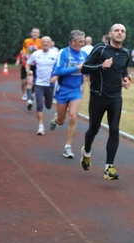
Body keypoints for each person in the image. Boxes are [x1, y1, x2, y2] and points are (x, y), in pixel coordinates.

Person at [80, 23, 131, 180]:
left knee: (114, 129)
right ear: (110, 33)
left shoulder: (126, 53)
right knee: (93, 129)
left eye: (122, 31)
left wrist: (126, 78)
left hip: (116, 96)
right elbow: (84, 68)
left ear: (125, 35)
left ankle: (109, 167)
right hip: (98, 95)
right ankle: (86, 151)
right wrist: (101, 66)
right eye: (117, 30)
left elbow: (123, 69)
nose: (120, 33)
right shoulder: (100, 49)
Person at [49, 30, 87, 158]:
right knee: (61, 121)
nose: (83, 43)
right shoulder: (63, 52)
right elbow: (58, 70)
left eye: (83, 40)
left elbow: (89, 70)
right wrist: (77, 68)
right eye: (81, 41)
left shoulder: (85, 54)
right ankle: (55, 119)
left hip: (76, 90)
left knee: (73, 116)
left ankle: (68, 147)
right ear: (73, 41)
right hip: (63, 89)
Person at [25, 36, 58, 135]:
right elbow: (28, 63)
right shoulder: (36, 54)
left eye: (47, 42)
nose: (45, 43)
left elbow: (60, 67)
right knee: (39, 106)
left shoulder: (55, 54)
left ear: (50, 43)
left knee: (48, 106)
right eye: (43, 42)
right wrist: (28, 71)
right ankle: (40, 126)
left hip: (50, 84)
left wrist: (56, 77)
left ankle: (52, 112)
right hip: (39, 83)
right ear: (41, 43)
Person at [15, 28, 42, 104]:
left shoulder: (41, 42)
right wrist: (20, 58)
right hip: (26, 63)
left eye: (37, 32)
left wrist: (37, 50)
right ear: (31, 33)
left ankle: (31, 93)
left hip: (36, 64)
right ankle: (24, 94)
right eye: (34, 32)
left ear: (39, 34)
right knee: (23, 81)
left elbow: (43, 52)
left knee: (33, 81)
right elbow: (23, 50)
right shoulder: (27, 41)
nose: (35, 34)